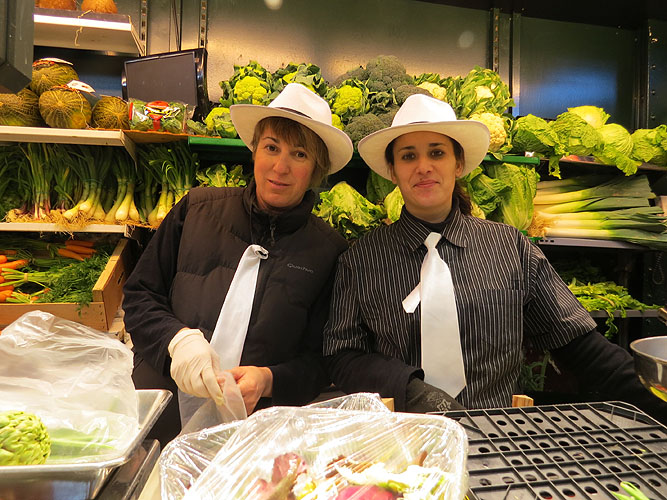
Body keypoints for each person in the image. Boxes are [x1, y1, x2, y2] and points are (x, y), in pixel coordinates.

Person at [323, 94, 667, 422]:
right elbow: (342, 355)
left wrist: (654, 397)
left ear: (458, 164)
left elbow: (580, 345)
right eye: (408, 156)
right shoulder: (361, 259)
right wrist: (410, 388)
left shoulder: (510, 247)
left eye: (437, 152)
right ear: (392, 171)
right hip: (405, 437)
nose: (424, 167)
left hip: (498, 435)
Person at [123, 83, 353, 444]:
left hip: (256, 436)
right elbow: (139, 296)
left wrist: (269, 380)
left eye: (299, 154)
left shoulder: (329, 251)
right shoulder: (195, 210)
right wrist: (177, 341)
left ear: (316, 170)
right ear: (254, 150)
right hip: (161, 418)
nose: (280, 167)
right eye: (271, 147)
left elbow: (322, 361)